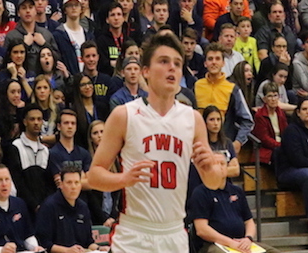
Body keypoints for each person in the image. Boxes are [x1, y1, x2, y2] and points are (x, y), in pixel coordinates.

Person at [87, 32, 220, 253]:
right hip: (134, 233)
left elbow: (213, 182)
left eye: (177, 63)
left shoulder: (193, 119)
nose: (172, 68)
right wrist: (124, 179)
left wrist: (210, 168)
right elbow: (94, 175)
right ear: (145, 71)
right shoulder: (124, 115)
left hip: (175, 233)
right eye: (164, 61)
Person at [275, 97, 308, 219]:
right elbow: (297, 158)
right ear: (298, 112)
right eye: (304, 109)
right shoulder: (291, 131)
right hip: (290, 171)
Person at [35, 166, 99, 252]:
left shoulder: (83, 207)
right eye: (69, 182)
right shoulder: (49, 206)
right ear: (61, 184)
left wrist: (99, 248)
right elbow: (44, 243)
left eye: (77, 182)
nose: (73, 187)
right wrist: (67, 250)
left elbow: (89, 242)